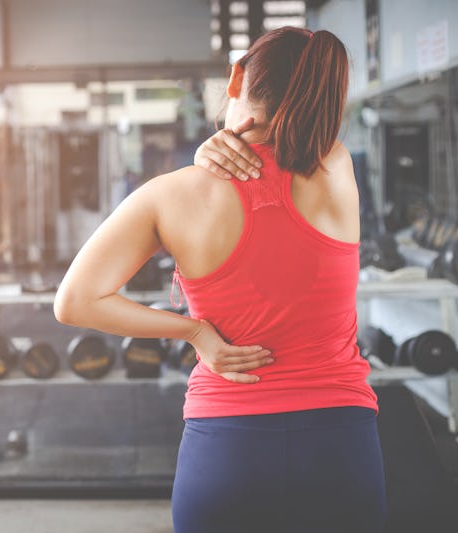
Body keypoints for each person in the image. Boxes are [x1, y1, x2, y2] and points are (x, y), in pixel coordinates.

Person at [53, 26, 385, 533]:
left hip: (228, 445)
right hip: (339, 443)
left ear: (236, 78)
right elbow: (294, 148)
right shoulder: (335, 167)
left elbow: (75, 301)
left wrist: (193, 332)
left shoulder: (169, 194)